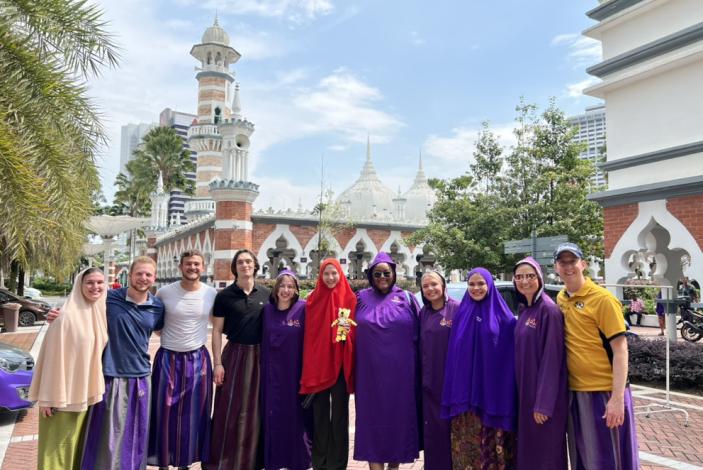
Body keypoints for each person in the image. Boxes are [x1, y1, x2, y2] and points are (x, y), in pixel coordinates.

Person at [553, 242, 640, 469]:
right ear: (556, 267)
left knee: (611, 458)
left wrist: (617, 398)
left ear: (583, 264)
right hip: (576, 392)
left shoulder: (603, 299)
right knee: (584, 456)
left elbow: (621, 349)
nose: (568, 266)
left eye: (572, 261)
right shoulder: (561, 299)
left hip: (604, 392)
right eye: (562, 262)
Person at [80, 256, 165, 470]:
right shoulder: (109, 298)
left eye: (148, 274)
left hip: (141, 375)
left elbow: (163, 330)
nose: (143, 278)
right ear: (131, 275)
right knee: (108, 436)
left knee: (136, 435)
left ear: (154, 278)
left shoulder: (157, 306)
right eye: (139, 273)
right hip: (111, 373)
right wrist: (59, 316)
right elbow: (80, 309)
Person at [29, 268, 108, 470]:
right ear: (79, 285)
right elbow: (51, 359)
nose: (95, 287)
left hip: (83, 396)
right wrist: (47, 399)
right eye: (90, 282)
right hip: (60, 399)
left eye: (100, 282)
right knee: (55, 453)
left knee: (73, 450)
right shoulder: (65, 316)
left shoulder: (97, 313)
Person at [147, 250, 217, 470]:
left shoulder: (211, 293)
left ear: (203, 267)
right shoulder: (164, 292)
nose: (192, 268)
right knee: (164, 410)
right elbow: (156, 325)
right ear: (181, 267)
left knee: (193, 414)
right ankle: (164, 462)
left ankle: (185, 462)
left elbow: (218, 327)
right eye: (188, 264)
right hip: (168, 358)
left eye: (197, 264)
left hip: (198, 360)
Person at [441, 267, 517, 469]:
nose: (476, 288)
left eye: (481, 283)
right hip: (464, 400)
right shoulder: (461, 314)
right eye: (472, 284)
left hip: (491, 398)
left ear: (490, 285)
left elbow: (508, 359)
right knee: (466, 453)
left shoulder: (505, 318)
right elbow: (454, 355)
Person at [354, 252, 421, 470]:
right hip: (369, 378)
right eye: (377, 273)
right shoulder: (359, 298)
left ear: (393, 273)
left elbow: (424, 335)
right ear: (370, 276)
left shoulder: (407, 298)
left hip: (401, 379)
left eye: (386, 272)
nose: (382, 276)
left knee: (397, 426)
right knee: (372, 426)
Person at [205, 249, 270, 470]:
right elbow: (216, 331)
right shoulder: (224, 296)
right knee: (228, 409)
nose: (245, 265)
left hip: (260, 356)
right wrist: (217, 363)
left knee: (256, 410)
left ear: (255, 265)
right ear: (235, 267)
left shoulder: (266, 294)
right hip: (234, 355)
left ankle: (252, 461)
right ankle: (224, 460)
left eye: (248, 261)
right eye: (240, 262)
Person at [300, 258, 357, 470]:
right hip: (318, 365)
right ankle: (320, 462)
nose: (331, 278)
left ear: (340, 274)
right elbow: (309, 335)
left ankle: (338, 463)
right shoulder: (313, 300)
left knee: (340, 416)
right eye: (327, 273)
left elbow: (353, 331)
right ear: (320, 275)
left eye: (334, 273)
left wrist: (346, 335)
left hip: (341, 364)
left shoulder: (350, 298)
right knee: (320, 416)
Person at [513, 257, 568, 469]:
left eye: (530, 276)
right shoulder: (525, 309)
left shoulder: (549, 310)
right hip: (526, 395)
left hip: (544, 400)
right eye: (519, 277)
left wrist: (543, 404)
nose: (524, 281)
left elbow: (552, 360)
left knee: (547, 455)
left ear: (540, 278)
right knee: (530, 453)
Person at [262, 269, 311, 470]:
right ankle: (274, 461)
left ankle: (297, 462)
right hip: (271, 375)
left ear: (296, 290)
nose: (286, 290)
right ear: (275, 288)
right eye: (282, 285)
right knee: (273, 418)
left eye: (290, 286)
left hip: (295, 374)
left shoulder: (304, 309)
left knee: (296, 419)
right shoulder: (266, 311)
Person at [418, 271, 459, 470]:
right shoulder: (423, 313)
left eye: (434, 284)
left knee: (453, 436)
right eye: (425, 286)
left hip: (452, 386)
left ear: (443, 285)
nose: (430, 289)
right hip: (429, 386)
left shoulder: (457, 310)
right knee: (433, 436)